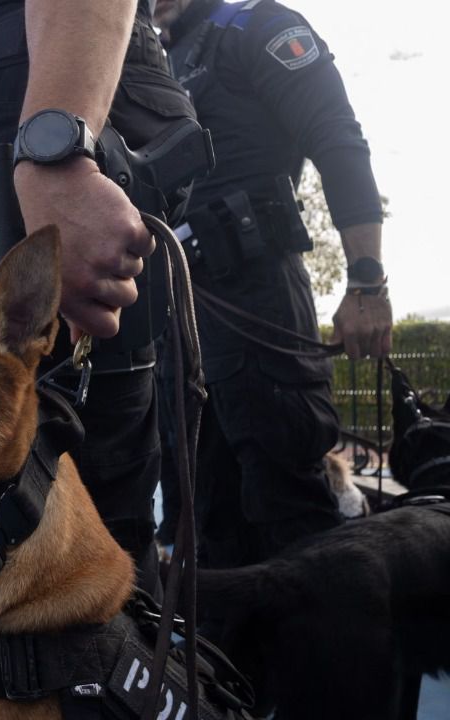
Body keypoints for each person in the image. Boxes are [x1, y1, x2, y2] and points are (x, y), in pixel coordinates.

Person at [0, 0, 197, 592]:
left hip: (44, 108)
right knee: (30, 519)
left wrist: (56, 150)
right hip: (7, 111)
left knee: (86, 530)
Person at [155, 0, 391, 566]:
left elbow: (337, 139)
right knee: (202, 510)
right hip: (176, 313)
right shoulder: (154, 62)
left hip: (257, 298)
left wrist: (366, 280)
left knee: (287, 502)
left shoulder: (256, 26)